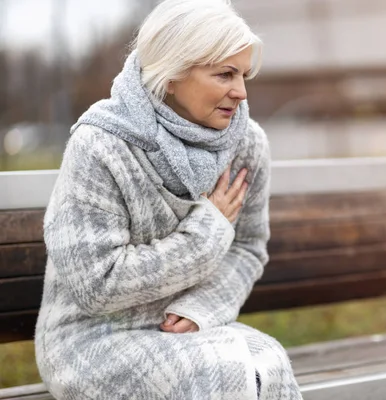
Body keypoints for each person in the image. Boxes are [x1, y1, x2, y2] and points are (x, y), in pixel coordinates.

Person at [34, 0, 302, 399]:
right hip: (93, 339)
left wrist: (202, 309)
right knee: (219, 373)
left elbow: (247, 247)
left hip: (191, 328)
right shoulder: (101, 145)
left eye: (244, 75)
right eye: (225, 74)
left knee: (269, 362)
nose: (241, 93)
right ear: (172, 73)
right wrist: (205, 232)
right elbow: (97, 286)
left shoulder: (246, 145)